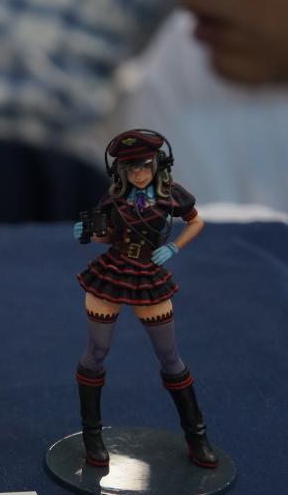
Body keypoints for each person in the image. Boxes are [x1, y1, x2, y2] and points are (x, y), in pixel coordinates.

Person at [72, 129, 216, 468]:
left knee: (170, 357)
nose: (138, 174)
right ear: (121, 171)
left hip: (148, 276)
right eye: (131, 168)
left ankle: (196, 435)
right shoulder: (114, 198)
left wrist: (174, 247)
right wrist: (89, 234)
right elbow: (109, 236)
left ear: (157, 165)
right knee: (96, 352)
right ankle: (92, 435)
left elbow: (197, 222)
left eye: (144, 166)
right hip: (112, 273)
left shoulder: (171, 195)